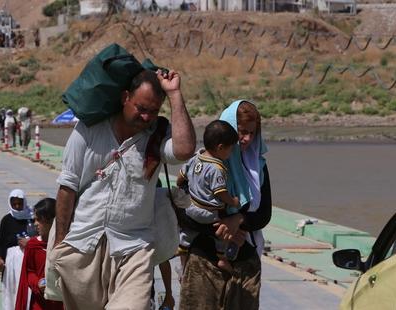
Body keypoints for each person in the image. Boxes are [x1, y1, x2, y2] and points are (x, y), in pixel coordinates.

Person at [48, 70, 195, 309]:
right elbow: (67, 186)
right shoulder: (89, 129)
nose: (146, 117)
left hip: (134, 247)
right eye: (141, 108)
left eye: (154, 111)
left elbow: (185, 149)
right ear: (125, 97)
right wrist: (60, 243)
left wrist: (175, 94)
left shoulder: (156, 137)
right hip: (84, 244)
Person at [179, 100, 272, 310]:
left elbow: (264, 214)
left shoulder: (258, 168)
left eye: (252, 133)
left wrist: (238, 220)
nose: (247, 139)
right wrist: (221, 230)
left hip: (246, 264)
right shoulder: (202, 164)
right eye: (241, 132)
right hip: (204, 261)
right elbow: (183, 210)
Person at [177, 120, 241, 271]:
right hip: (208, 214)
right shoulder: (217, 168)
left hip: (190, 207)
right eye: (230, 149)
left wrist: (181, 187)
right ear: (220, 148)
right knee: (222, 233)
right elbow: (220, 192)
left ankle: (182, 250)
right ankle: (222, 258)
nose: (231, 153)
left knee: (188, 233)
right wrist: (233, 201)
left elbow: (181, 177)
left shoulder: (196, 157)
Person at [15, 198, 64, 310]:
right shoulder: (33, 245)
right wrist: (37, 283)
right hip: (39, 303)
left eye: (39, 220)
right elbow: (29, 272)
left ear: (51, 221)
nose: (35, 224)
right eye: (35, 219)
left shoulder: (65, 245)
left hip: (61, 302)